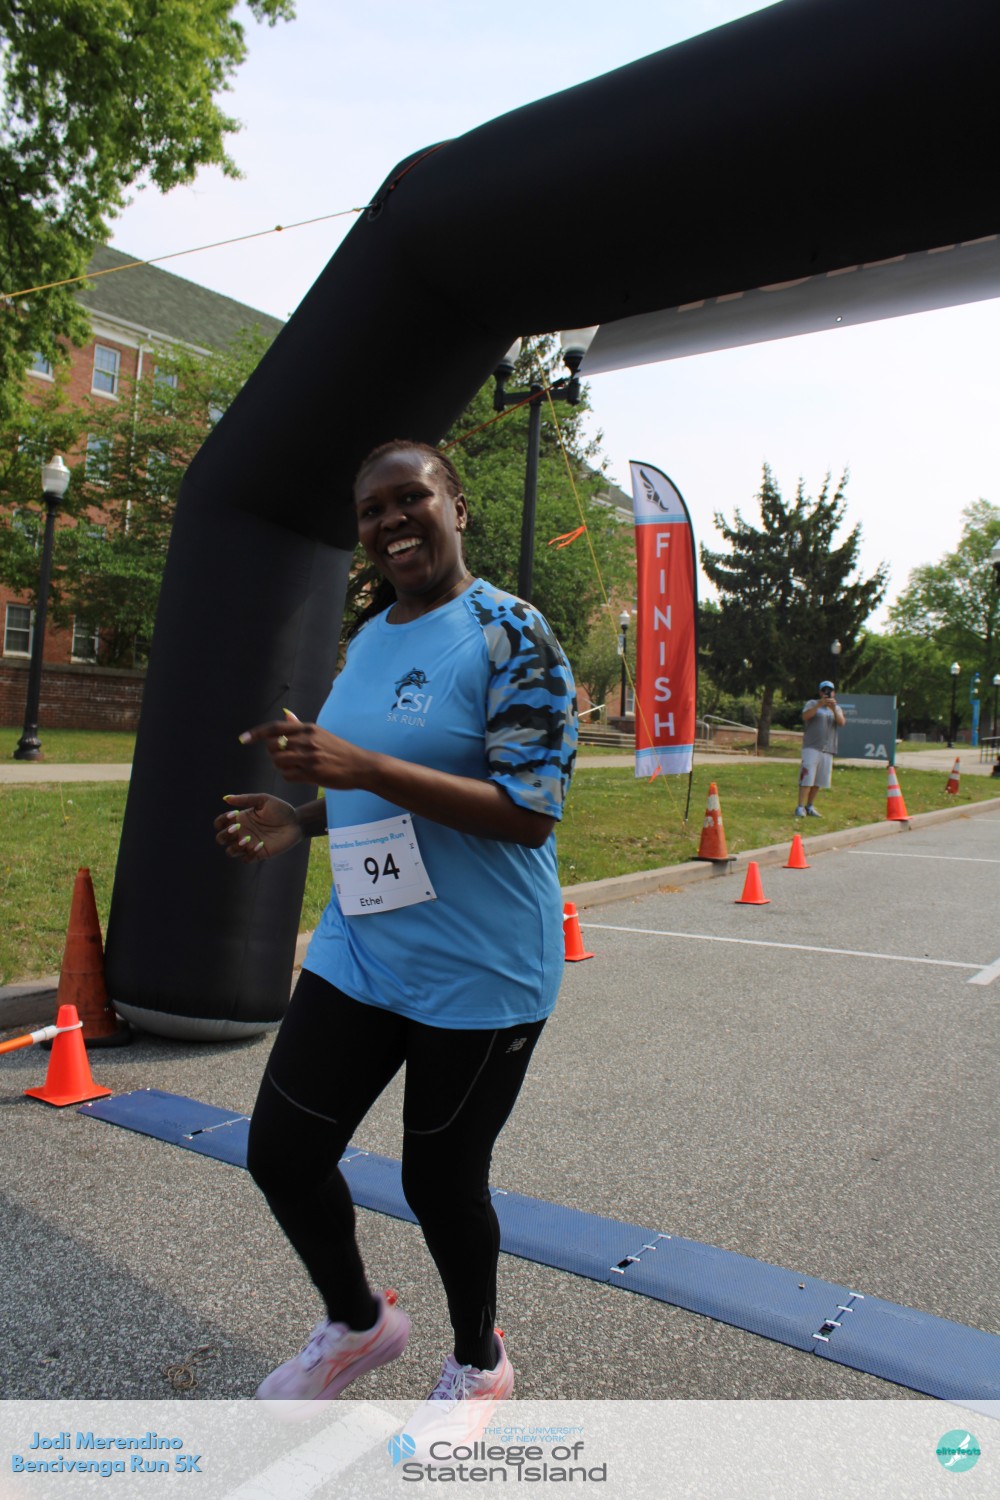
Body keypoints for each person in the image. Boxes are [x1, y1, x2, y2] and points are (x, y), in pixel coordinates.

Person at [214, 439, 577, 1414]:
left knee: (440, 1185)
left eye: (409, 498)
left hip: (480, 967)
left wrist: (362, 769)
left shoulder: (512, 634)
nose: (389, 522)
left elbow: (529, 812)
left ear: (456, 506)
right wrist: (301, 818)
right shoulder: (373, 635)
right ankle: (359, 1323)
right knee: (283, 1152)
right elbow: (366, 773)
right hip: (364, 944)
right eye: (371, 510)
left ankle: (480, 1364)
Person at [795, 679, 845, 818]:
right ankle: (800, 806)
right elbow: (805, 716)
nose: (827, 694)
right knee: (807, 777)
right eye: (824, 691)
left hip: (828, 749)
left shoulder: (836, 708)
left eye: (830, 691)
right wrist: (819, 705)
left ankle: (810, 806)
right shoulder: (812, 703)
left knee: (819, 780)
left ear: (834, 693)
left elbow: (841, 722)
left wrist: (833, 709)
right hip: (812, 747)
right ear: (820, 692)